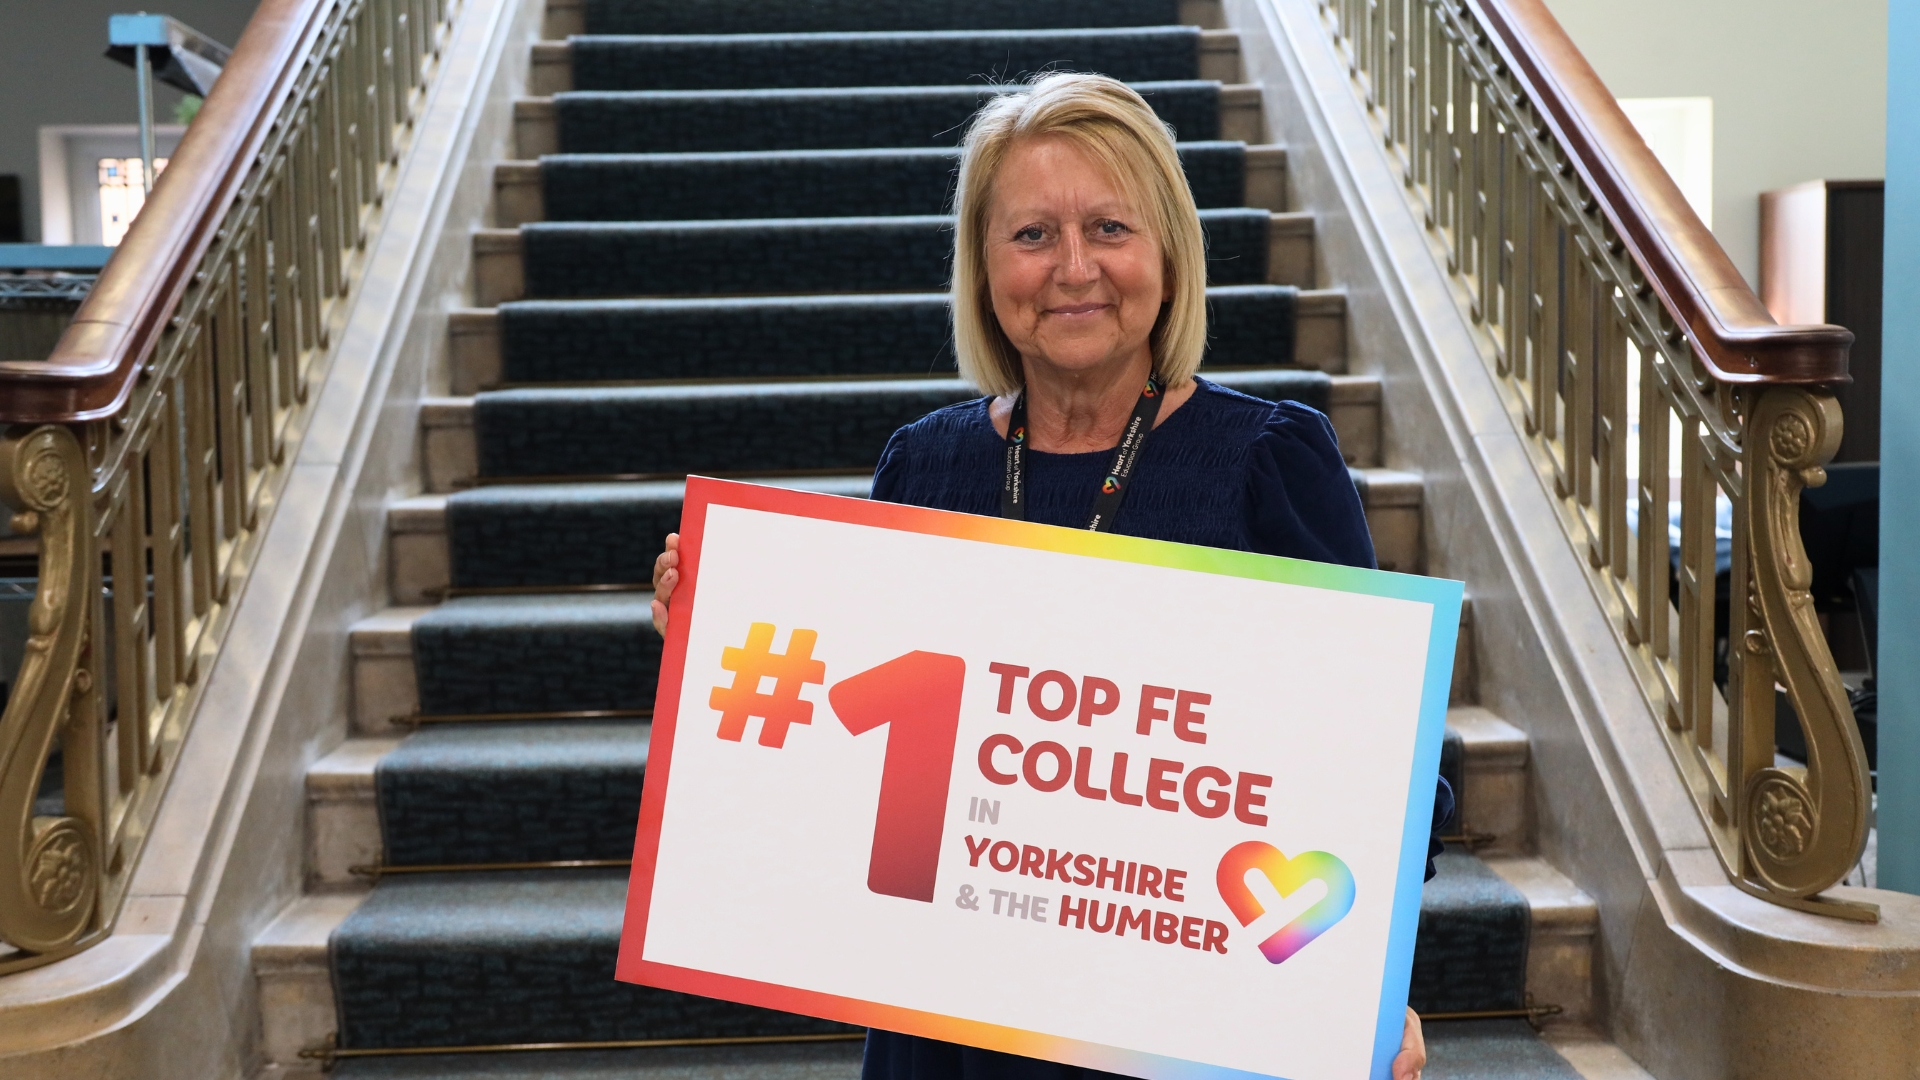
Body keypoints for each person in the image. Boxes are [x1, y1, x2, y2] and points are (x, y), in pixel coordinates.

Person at [653, 72, 1444, 1080]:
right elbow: (848, 755)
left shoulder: (1269, 461)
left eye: (1110, 227)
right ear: (984, 267)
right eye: (1032, 235)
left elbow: (1371, 767)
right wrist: (713, 642)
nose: (1075, 268)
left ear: (1168, 252)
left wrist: (1355, 983)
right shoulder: (922, 466)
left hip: (1188, 1023)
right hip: (948, 1032)